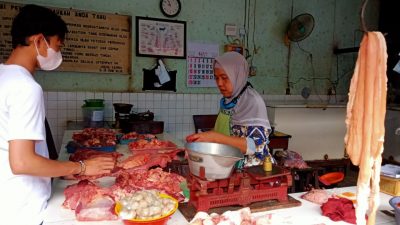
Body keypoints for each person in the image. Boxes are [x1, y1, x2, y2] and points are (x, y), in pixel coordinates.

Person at [0, 5, 115, 225]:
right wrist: (81, 167)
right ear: (39, 41)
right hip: (23, 209)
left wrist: (58, 170)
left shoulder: (3, 77)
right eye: (57, 45)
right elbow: (22, 162)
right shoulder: (25, 87)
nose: (58, 53)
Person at [186, 51, 272, 168]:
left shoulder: (252, 102)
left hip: (252, 171)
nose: (219, 83)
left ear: (238, 75)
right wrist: (203, 139)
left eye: (225, 78)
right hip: (228, 166)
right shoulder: (229, 100)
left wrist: (215, 137)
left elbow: (256, 146)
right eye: (216, 78)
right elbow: (223, 131)